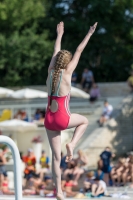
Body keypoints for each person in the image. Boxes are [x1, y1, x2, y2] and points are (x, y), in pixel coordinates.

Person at [44, 21, 98, 200]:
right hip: (62, 118)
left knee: (55, 157)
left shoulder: (51, 72)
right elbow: (79, 51)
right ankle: (72, 144)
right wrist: (89, 33)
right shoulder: (67, 74)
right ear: (67, 64)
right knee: (84, 121)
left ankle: (58, 191)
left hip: (49, 120)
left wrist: (59, 35)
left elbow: (55, 52)